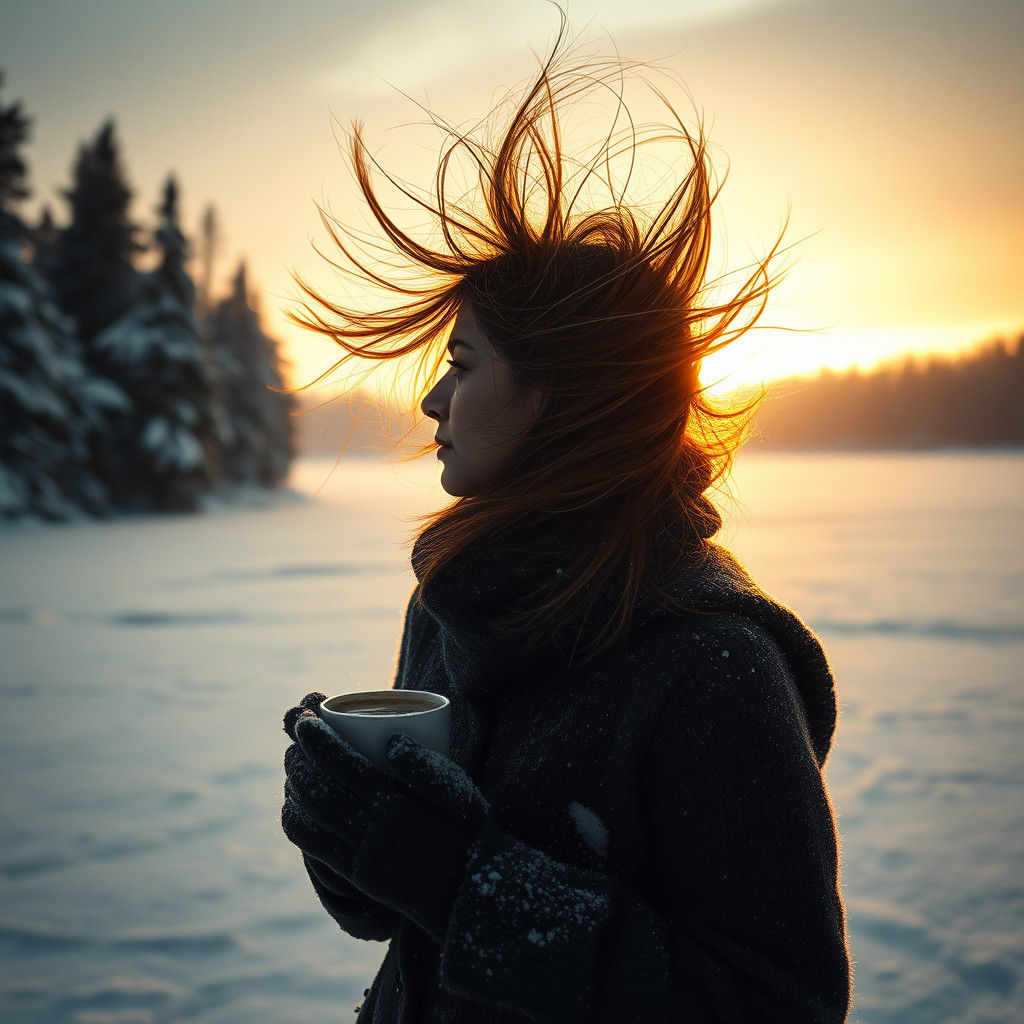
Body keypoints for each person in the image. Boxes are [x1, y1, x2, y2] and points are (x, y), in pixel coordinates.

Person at [279, 12, 852, 1023]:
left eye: (459, 365)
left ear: (558, 396)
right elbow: (398, 918)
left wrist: (460, 879)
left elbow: (777, 1003)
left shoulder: (711, 671)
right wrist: (349, 827)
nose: (430, 403)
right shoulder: (457, 602)